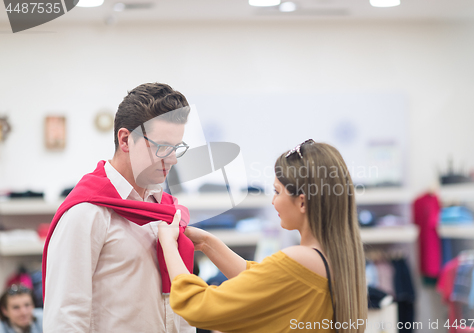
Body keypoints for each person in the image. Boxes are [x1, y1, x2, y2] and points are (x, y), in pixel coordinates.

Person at [158, 139, 368, 333]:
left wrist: (168, 244)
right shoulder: (336, 258)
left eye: (277, 192)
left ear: (302, 202)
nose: (273, 201)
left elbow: (197, 306)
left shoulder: (300, 259)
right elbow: (260, 281)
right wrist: (207, 243)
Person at [43, 83, 196, 333]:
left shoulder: (165, 209)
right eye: (162, 147)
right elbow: (65, 317)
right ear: (126, 139)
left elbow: (177, 304)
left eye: (177, 147)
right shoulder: (86, 213)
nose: (172, 159)